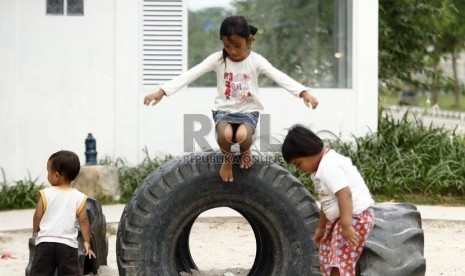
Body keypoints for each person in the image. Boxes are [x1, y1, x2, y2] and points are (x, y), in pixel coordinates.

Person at [144, 15, 319, 183]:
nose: (232, 51)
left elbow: (278, 76)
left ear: (250, 40)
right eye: (227, 46)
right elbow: (192, 73)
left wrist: (303, 92)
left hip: (248, 112)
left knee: (243, 135)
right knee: (225, 134)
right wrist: (162, 91)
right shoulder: (218, 59)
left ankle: (245, 152)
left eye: (237, 45)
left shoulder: (256, 61)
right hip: (224, 112)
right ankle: (227, 161)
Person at [281, 125, 374, 276]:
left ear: (308, 150)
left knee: (339, 260)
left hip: (354, 217)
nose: (300, 169)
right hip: (342, 219)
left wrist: (346, 226)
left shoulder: (328, 167)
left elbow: (345, 194)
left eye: (299, 163)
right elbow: (327, 202)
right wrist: (322, 228)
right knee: (326, 254)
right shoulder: (320, 170)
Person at [30, 150, 96, 275]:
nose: (47, 175)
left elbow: (37, 215)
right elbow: (83, 220)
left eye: (48, 171)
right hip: (67, 245)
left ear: (56, 175)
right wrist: (87, 242)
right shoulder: (78, 197)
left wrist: (35, 231)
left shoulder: (46, 194)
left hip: (45, 243)